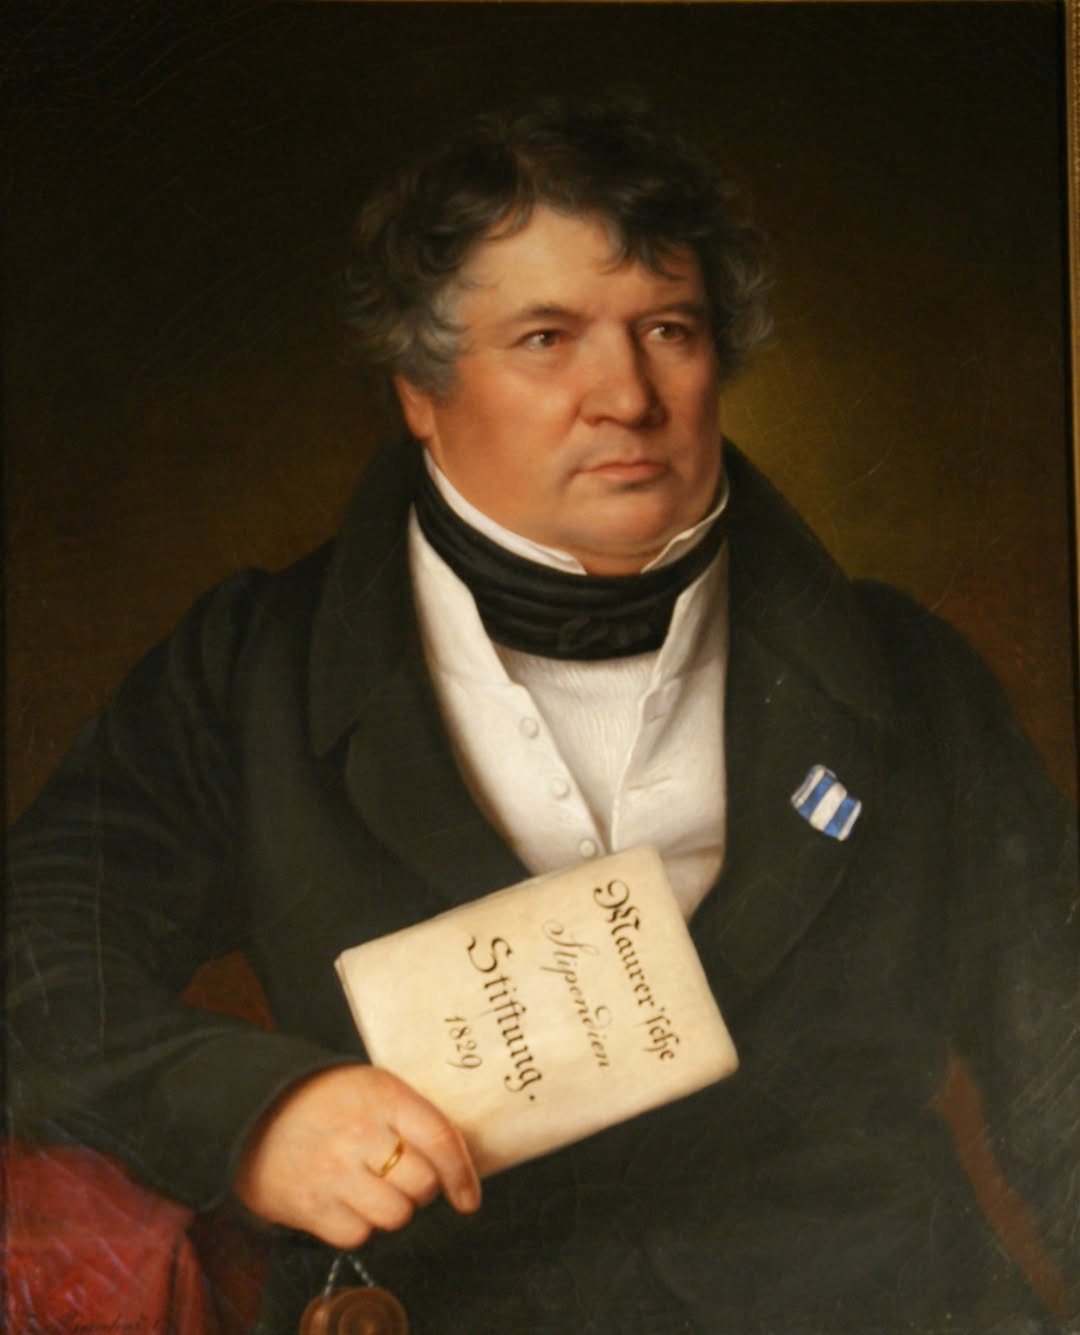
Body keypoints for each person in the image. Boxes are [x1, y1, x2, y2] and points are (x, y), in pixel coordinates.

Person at [7, 93, 1078, 1333]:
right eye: (547, 338)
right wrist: (253, 1115)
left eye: (667, 329)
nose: (625, 395)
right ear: (420, 390)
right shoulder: (251, 668)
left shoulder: (908, 674)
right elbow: (31, 950)